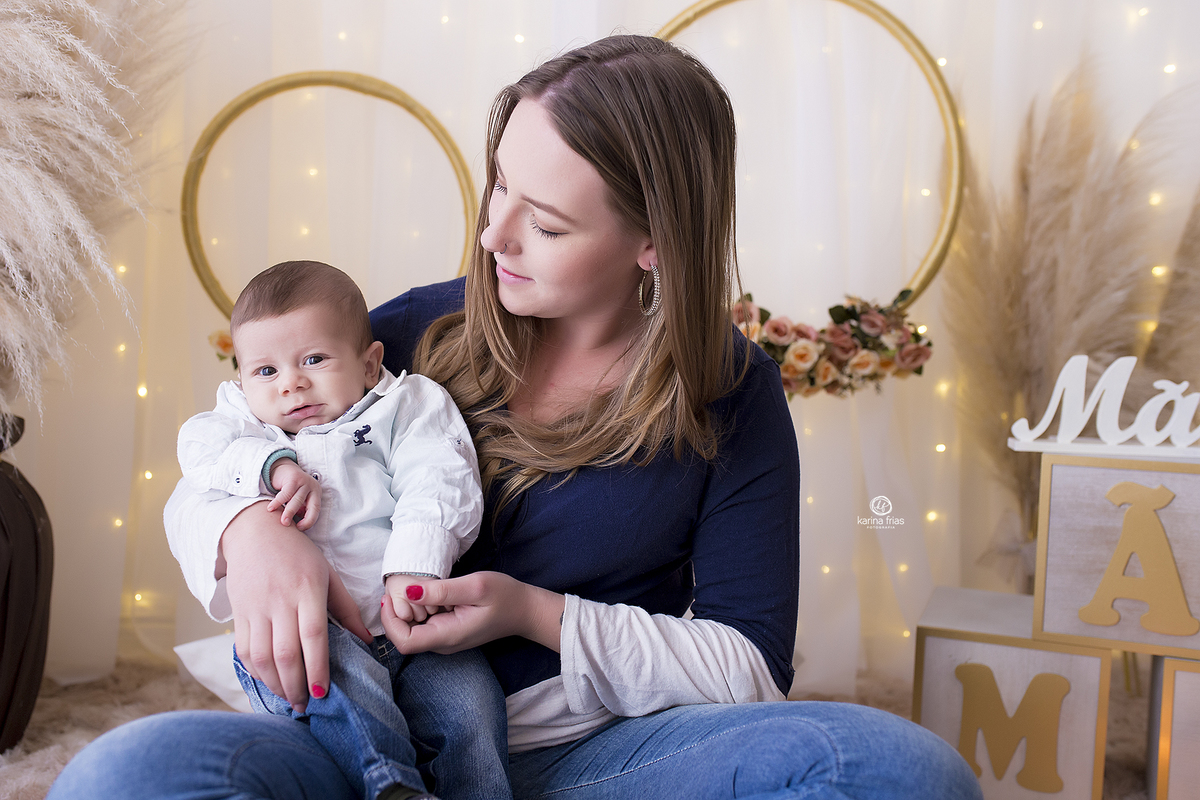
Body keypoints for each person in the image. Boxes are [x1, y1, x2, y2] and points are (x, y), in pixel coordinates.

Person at [49, 34, 982, 799]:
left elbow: (748, 668)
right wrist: (247, 532)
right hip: (361, 735)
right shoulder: (402, 336)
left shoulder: (730, 389)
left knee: (898, 770)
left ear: (654, 241)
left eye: (545, 222)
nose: (493, 234)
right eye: (499, 184)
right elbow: (211, 463)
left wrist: (534, 614)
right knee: (120, 776)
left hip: (588, 758)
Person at [170, 260, 509, 800]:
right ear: (241, 379)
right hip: (310, 627)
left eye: (313, 359)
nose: (291, 384)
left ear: (370, 364)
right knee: (339, 698)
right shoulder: (242, 423)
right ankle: (390, 786)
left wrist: (415, 567)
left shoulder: (403, 406)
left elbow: (439, 478)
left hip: (412, 622)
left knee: (472, 709)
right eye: (265, 371)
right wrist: (271, 465)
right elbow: (197, 449)